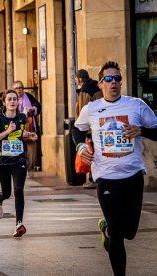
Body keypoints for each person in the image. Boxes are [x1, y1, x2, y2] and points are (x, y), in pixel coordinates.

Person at [72, 61, 157, 276]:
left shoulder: (136, 105)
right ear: (100, 84)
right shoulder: (91, 109)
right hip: (106, 177)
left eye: (117, 79)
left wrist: (141, 131)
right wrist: (81, 145)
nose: (114, 83)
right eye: (109, 79)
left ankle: (107, 228)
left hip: (133, 176)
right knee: (119, 234)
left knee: (129, 232)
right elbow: (77, 129)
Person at [0, 89, 38, 238]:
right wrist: (7, 131)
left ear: (17, 102)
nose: (12, 101)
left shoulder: (22, 117)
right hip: (3, 161)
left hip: (19, 160)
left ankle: (19, 224)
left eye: (14, 99)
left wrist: (29, 134)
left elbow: (20, 132)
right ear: (4, 102)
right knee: (7, 192)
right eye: (9, 99)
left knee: (18, 190)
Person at [74, 69, 104, 189]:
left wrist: (84, 130)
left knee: (91, 153)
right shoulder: (96, 87)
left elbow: (83, 111)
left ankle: (93, 179)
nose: (75, 81)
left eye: (76, 79)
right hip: (100, 125)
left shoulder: (85, 91)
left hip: (91, 128)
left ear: (79, 79)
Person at [12, 81, 41, 178]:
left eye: (20, 87)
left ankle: (30, 167)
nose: (19, 90)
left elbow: (38, 105)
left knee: (31, 150)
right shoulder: (11, 99)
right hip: (16, 129)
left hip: (30, 127)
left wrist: (32, 109)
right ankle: (18, 170)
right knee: (18, 151)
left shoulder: (28, 96)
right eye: (16, 88)